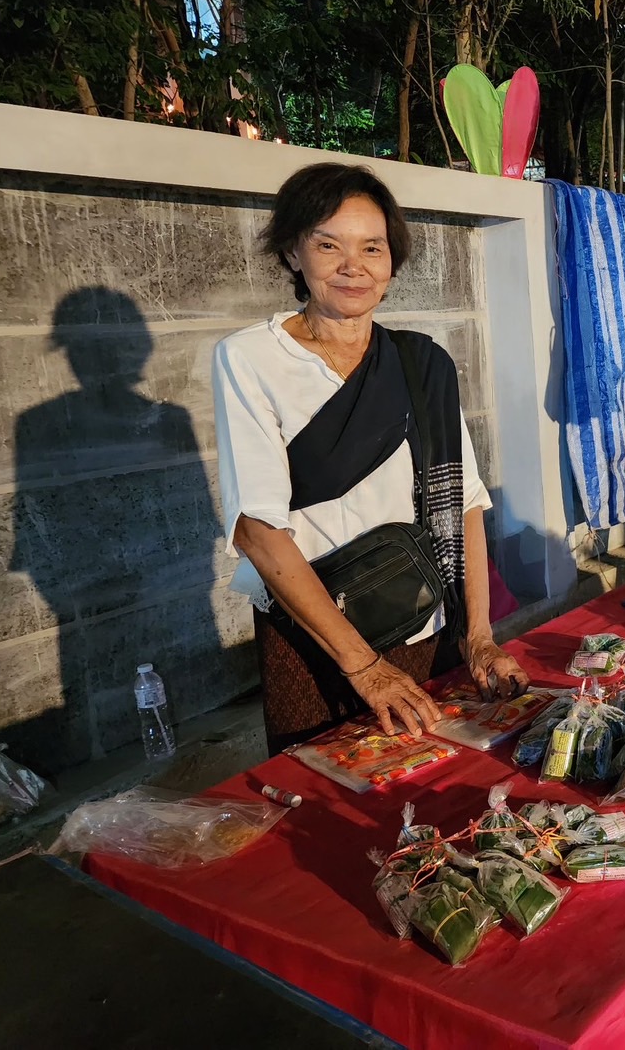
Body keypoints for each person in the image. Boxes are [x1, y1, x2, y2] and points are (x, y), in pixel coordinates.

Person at [213, 163, 527, 754]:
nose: (352, 266)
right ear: (293, 253)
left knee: (430, 787)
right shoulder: (250, 358)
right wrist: (363, 668)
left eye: (372, 247)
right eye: (328, 244)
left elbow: (465, 505)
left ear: (391, 261)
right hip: (313, 634)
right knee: (327, 794)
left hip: (421, 614)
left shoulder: (422, 363)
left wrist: (480, 637)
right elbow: (257, 529)